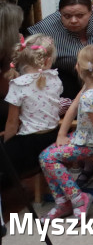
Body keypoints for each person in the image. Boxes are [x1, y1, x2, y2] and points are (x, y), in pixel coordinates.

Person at [39, 45, 93, 220]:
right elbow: (72, 107)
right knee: (46, 156)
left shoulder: (90, 97)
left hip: (91, 143)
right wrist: (61, 135)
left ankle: (78, 198)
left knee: (47, 158)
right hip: (83, 138)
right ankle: (63, 202)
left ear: (78, 68)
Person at [3, 35, 61, 174]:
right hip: (53, 137)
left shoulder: (17, 85)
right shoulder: (55, 78)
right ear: (47, 60)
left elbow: (12, 123)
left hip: (30, 145)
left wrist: (6, 146)